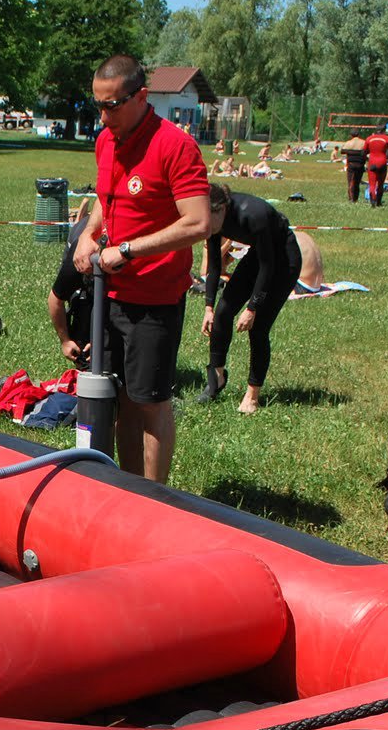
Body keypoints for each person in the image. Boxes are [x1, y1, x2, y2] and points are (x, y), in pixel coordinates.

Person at [71, 53, 211, 483]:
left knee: (150, 401)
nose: (103, 114)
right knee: (118, 399)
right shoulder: (106, 141)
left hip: (155, 298)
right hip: (109, 294)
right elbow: (106, 199)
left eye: (112, 104)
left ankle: (156, 498)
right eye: (97, 104)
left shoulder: (175, 146)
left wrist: (128, 250)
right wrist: (90, 232)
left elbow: (199, 222)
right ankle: (125, 488)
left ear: (142, 96)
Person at [196, 185, 302, 414]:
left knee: (259, 328)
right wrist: (208, 307)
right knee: (223, 311)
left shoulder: (252, 214)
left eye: (207, 218)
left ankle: (252, 396)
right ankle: (217, 377)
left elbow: (268, 266)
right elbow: (214, 265)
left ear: (221, 209)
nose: (202, 223)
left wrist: (252, 307)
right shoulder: (212, 221)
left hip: (283, 260)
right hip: (260, 256)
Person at [48, 200, 95, 367]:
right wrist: (66, 341)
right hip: (83, 253)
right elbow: (55, 299)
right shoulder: (80, 257)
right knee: (83, 303)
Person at [363, 126, 388, 207]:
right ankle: (379, 201)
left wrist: (367, 159)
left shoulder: (369, 138)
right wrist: (385, 157)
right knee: (380, 183)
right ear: (384, 130)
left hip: (372, 161)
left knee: (372, 184)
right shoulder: (387, 138)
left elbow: (363, 152)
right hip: (382, 161)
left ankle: (372, 201)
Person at [340, 130, 367, 203]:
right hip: (360, 164)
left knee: (350, 182)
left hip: (351, 164)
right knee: (357, 182)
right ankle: (355, 198)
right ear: (359, 135)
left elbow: (342, 151)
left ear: (351, 135)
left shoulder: (348, 143)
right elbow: (367, 151)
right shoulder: (363, 142)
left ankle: (351, 198)